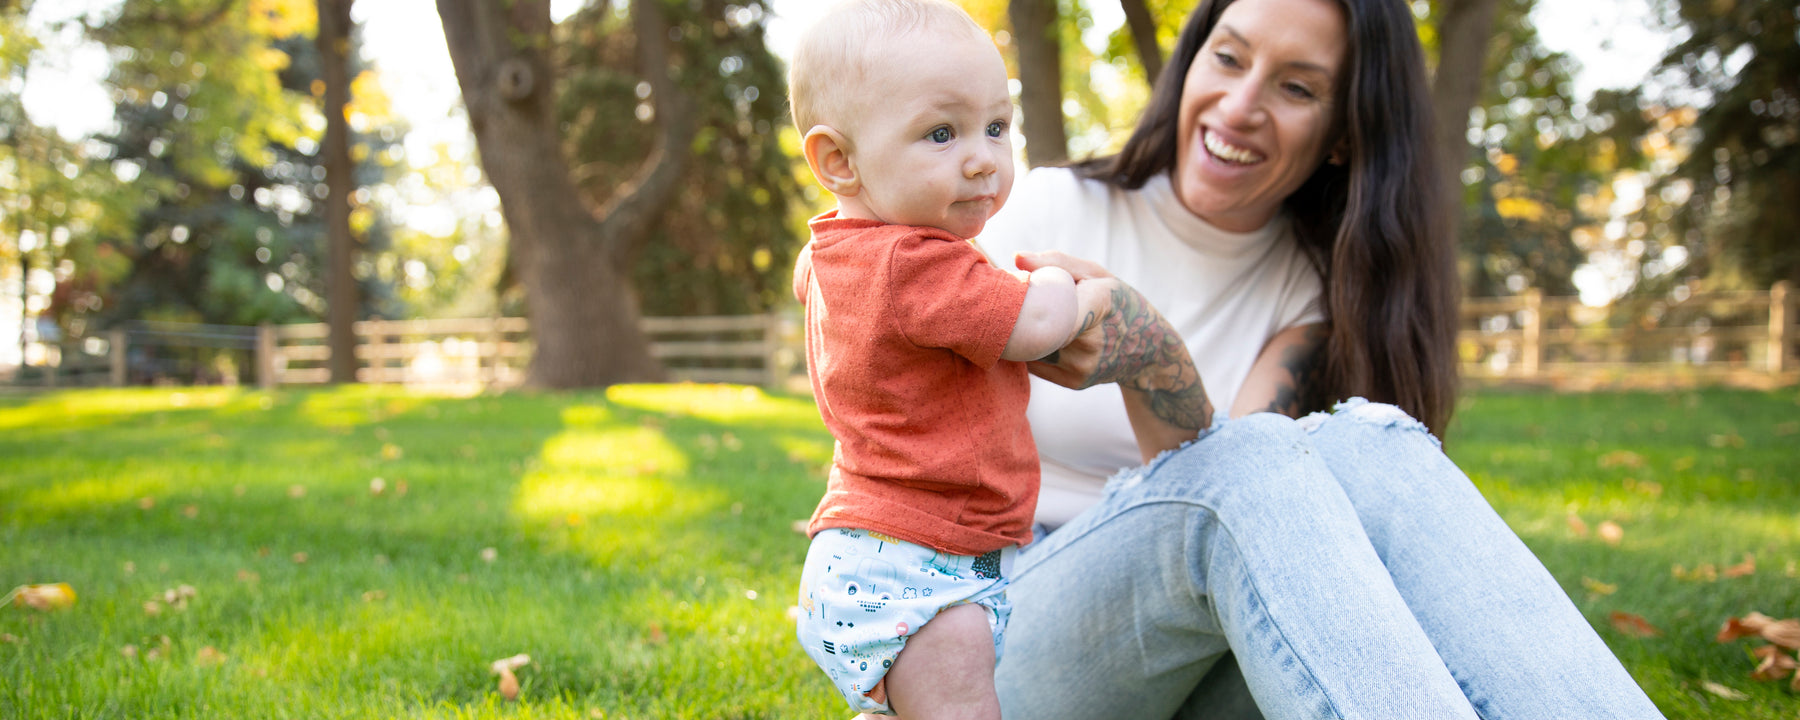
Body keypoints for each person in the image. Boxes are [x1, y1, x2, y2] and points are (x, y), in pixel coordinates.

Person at [973, 0, 1671, 717]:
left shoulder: (1311, 292)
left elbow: (1231, 503)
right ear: (1191, 63)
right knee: (1256, 457)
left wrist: (1150, 356)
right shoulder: (1044, 208)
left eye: (1297, 88)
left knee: (1370, 446)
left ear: (1341, 137)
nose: (1241, 106)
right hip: (993, 638)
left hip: (1186, 661)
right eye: (1229, 58)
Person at [784, 1, 1110, 717]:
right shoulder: (919, 265)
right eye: (941, 133)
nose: (982, 158)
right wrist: (1074, 288)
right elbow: (1040, 325)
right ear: (838, 160)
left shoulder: (831, 254)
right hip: (921, 564)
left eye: (997, 127)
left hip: (869, 547)